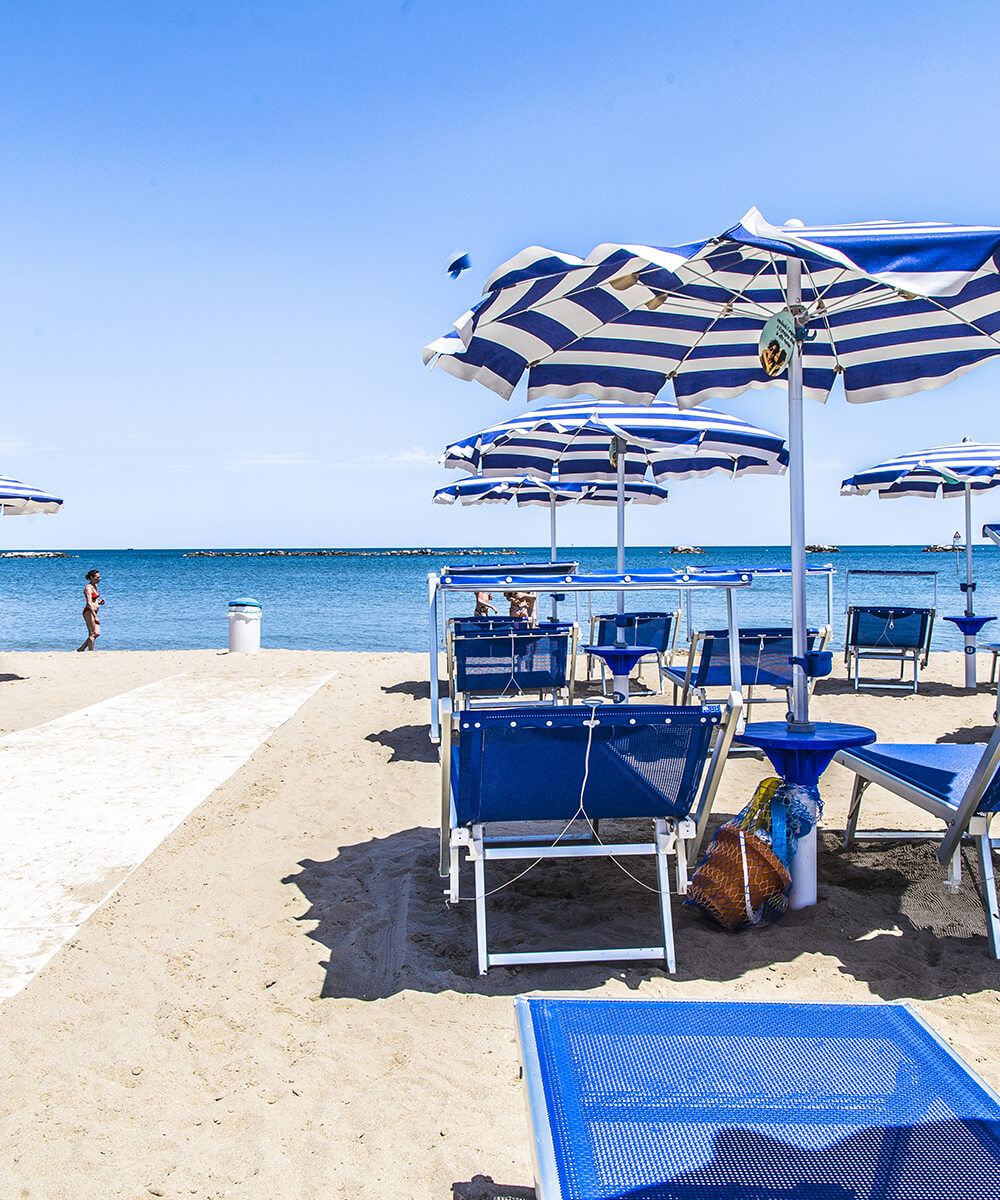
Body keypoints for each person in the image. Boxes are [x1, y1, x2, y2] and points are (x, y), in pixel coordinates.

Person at [77, 568, 104, 651]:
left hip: (94, 611)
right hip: (89, 612)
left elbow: (94, 600)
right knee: (92, 633)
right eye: (97, 577)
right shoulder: (88, 588)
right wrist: (95, 616)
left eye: (99, 577)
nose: (99, 579)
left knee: (97, 633)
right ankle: (91, 651)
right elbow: (89, 603)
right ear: (91, 578)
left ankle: (81, 648)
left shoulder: (95, 586)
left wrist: (99, 602)